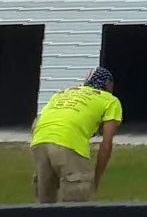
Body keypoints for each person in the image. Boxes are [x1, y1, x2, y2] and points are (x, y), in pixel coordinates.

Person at [30, 68, 120, 203]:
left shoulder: (62, 94)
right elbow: (106, 145)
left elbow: (37, 123)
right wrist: (95, 180)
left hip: (39, 141)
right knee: (77, 204)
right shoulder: (110, 100)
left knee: (45, 204)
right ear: (108, 84)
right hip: (68, 143)